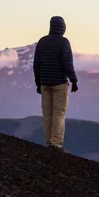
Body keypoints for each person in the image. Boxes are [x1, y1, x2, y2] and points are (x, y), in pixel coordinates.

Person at [33, 16, 78, 150]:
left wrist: (38, 83)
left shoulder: (42, 42)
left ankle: (49, 142)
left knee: (47, 114)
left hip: (45, 83)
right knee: (58, 114)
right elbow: (67, 63)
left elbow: (36, 65)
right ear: (63, 28)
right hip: (59, 83)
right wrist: (74, 80)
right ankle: (56, 144)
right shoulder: (64, 42)